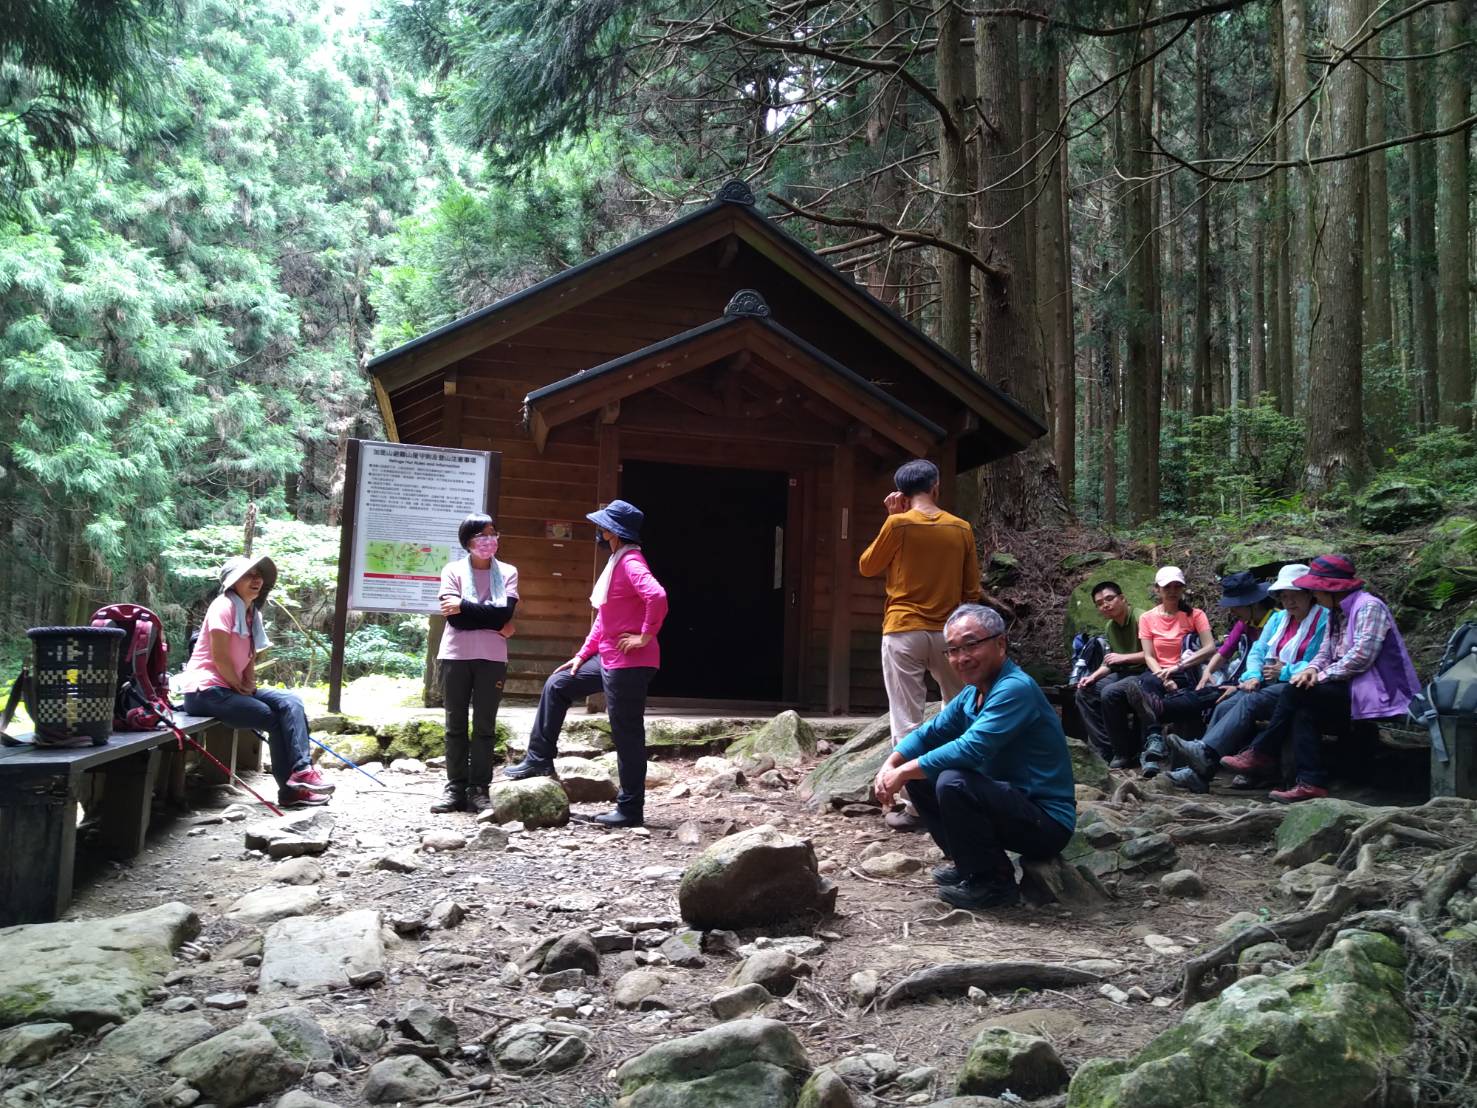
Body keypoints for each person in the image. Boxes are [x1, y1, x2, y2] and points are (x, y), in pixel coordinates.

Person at [873, 604, 1076, 911]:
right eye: (953, 650)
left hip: (1045, 822)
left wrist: (903, 772)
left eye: (971, 645)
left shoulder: (1015, 689)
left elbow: (971, 748)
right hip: (1009, 804)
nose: (961, 658)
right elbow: (929, 734)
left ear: (1000, 643)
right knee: (922, 778)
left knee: (952, 780)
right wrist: (892, 763)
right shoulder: (972, 694)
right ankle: (970, 865)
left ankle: (993, 883)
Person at [503, 499, 667, 827]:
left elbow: (657, 596)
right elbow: (603, 620)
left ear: (613, 532)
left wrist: (645, 636)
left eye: (602, 526)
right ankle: (539, 760)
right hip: (608, 658)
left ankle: (630, 810)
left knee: (627, 734)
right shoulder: (616, 563)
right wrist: (581, 655)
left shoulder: (631, 562)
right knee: (558, 684)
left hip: (630, 663)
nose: (599, 530)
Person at [1218, 554, 1420, 803]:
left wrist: (1320, 676)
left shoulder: (1369, 607)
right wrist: (1311, 670)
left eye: (1316, 589)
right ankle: (1311, 782)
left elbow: (1361, 656)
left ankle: (1262, 751)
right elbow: (1326, 651)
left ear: (1330, 589)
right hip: (1349, 687)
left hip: (1379, 690)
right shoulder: (1335, 611)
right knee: (1303, 709)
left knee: (1296, 692)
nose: (1314, 595)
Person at [858, 458, 982, 831]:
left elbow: (867, 565)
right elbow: (972, 589)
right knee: (959, 714)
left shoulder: (898, 524)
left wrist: (890, 519)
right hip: (950, 635)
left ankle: (916, 807)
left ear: (901, 493)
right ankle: (958, 793)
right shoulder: (960, 529)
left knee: (907, 720)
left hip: (903, 629)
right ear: (936, 487)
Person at [177, 555, 334, 809]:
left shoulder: (251, 613)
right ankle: (290, 792)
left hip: (231, 687)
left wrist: (248, 682)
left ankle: (302, 771)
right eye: (249, 575)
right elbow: (220, 655)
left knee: (290, 701)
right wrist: (236, 683)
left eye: (259, 575)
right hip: (205, 691)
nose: (256, 579)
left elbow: (249, 655)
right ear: (232, 582)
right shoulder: (223, 605)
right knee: (272, 717)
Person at [1165, 564, 1327, 793]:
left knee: (1249, 701)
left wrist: (1285, 670)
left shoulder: (1323, 619)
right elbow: (1258, 651)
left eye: (1295, 595)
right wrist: (1252, 675)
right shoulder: (1279, 619)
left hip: (1297, 686)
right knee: (1224, 705)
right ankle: (1199, 774)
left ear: (1310, 594)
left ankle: (1204, 753)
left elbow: (1319, 659)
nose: (1289, 602)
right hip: (1268, 682)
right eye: (1284, 596)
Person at [432, 513, 518, 814]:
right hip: (455, 655)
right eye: (482, 534)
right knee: (454, 725)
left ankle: (479, 789)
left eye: (493, 532)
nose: (489, 539)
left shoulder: (507, 572)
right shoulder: (452, 570)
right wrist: (491, 619)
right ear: (468, 541)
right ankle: (455, 787)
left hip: (493, 658)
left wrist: (467, 607)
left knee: (484, 726)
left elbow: (503, 615)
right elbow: (455, 619)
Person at [1103, 566, 1215, 774]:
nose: (1172, 591)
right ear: (1157, 590)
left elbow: (1210, 648)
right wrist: (1164, 677)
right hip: (1157, 672)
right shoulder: (1148, 618)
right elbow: (1149, 656)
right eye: (1167, 587)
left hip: (1186, 670)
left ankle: (1154, 744)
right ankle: (1146, 750)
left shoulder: (1195, 615)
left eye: (1177, 586)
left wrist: (1177, 667)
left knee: (1151, 696)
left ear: (1183, 589)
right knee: (1143, 686)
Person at [1073, 580, 1147, 761]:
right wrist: (1092, 677)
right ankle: (1107, 749)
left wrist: (1124, 658)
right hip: (1123, 672)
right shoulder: (1110, 626)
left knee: (1109, 693)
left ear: (1122, 598)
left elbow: (1156, 655)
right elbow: (1110, 663)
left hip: (1146, 673)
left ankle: (1123, 753)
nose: (1105, 605)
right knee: (1084, 692)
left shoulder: (1142, 618)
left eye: (1109, 599)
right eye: (1099, 604)